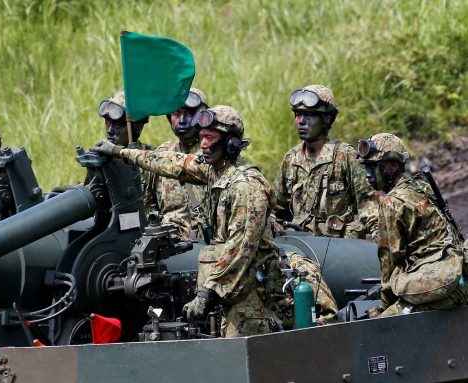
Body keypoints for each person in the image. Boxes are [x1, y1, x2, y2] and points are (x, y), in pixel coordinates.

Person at [91, 105, 338, 336]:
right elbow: (170, 162)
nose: (203, 145)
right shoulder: (214, 171)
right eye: (202, 138)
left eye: (210, 138)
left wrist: (205, 292)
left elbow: (240, 250)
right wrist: (119, 152)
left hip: (252, 298)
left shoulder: (246, 187)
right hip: (230, 295)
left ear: (230, 144)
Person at [357, 133, 468, 316]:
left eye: (373, 167)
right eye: (366, 167)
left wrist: (384, 307)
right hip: (457, 275)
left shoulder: (391, 202)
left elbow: (390, 261)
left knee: (381, 327)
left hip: (444, 285)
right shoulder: (421, 186)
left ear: (392, 166)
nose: (368, 174)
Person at [273, 85, 379, 239]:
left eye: (309, 115)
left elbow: (369, 205)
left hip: (336, 247)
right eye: (298, 115)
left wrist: (381, 241)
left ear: (327, 120)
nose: (301, 121)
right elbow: (277, 209)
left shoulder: (345, 156)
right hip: (300, 247)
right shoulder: (291, 159)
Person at [95, 91, 192, 238]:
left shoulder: (153, 162)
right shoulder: (99, 159)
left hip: (143, 239)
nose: (110, 130)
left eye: (117, 125)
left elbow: (175, 213)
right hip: (106, 237)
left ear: (135, 127)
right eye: (107, 123)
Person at [143, 88, 209, 239]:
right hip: (169, 242)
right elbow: (147, 202)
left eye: (190, 114)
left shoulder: (212, 153)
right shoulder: (163, 152)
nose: (183, 120)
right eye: (176, 114)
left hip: (206, 245)